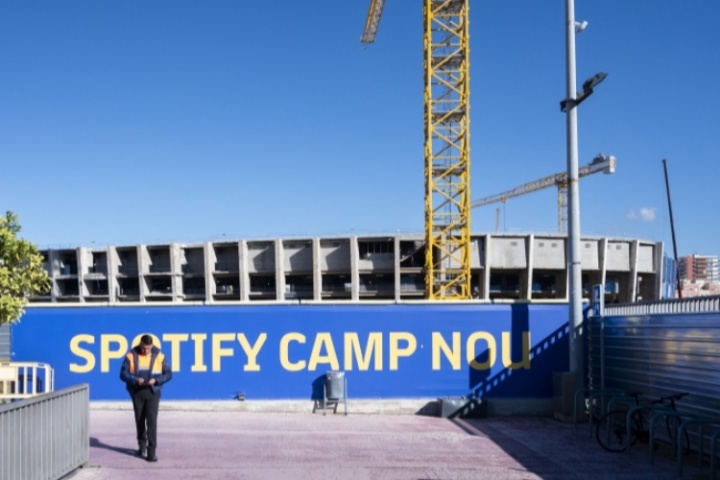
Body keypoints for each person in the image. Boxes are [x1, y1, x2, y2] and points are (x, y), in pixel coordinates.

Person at [119, 334, 172, 462]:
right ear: (140, 344)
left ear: (152, 346)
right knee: (139, 419)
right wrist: (135, 379)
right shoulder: (131, 355)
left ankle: (151, 452)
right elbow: (123, 374)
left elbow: (168, 374)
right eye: (143, 348)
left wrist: (156, 380)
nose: (145, 350)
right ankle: (141, 445)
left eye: (148, 348)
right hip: (137, 391)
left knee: (151, 422)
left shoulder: (159, 355)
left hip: (152, 391)